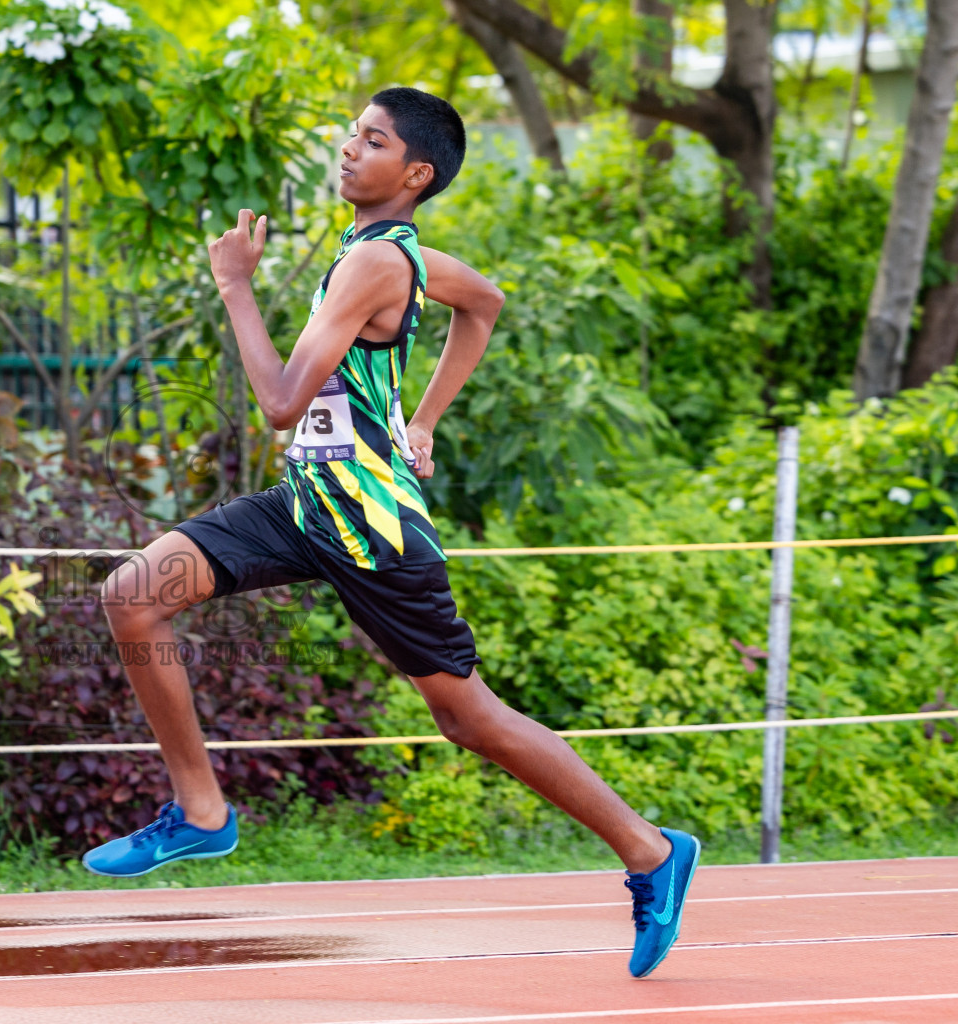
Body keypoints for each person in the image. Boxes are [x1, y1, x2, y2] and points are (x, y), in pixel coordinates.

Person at [87, 86, 700, 979]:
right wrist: (424, 421)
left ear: (414, 174)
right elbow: (483, 301)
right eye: (349, 134)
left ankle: (651, 851)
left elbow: (280, 400)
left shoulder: (374, 264)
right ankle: (202, 814)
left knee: (468, 717)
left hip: (373, 526)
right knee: (134, 597)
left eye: (369, 141)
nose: (347, 149)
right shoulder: (390, 252)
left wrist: (234, 286)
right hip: (309, 499)